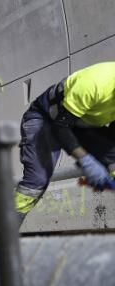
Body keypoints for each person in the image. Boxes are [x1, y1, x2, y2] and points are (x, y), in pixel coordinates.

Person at [15, 61, 115, 224]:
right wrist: (85, 159)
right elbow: (60, 127)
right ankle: (6, 233)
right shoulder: (95, 83)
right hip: (46, 118)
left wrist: (104, 159)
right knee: (37, 180)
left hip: (83, 124)